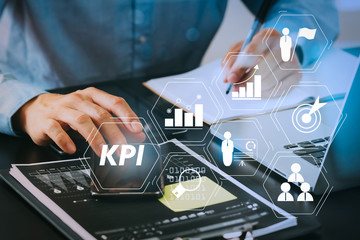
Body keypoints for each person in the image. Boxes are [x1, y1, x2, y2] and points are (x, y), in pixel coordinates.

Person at [0, 0, 339, 154]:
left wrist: (286, 40)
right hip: (44, 128)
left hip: (190, 125)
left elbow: (311, 8)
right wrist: (26, 104)